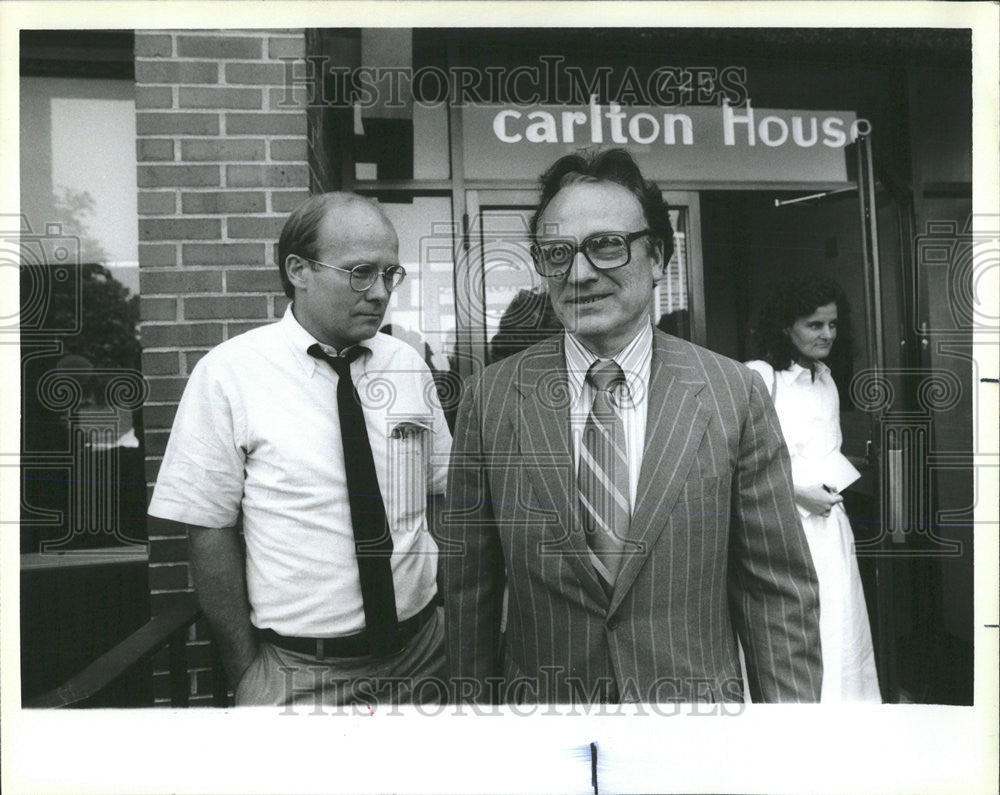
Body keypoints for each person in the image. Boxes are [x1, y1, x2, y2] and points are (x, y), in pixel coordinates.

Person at [439, 149, 822, 704]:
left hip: (695, 730)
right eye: (556, 253)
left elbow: (776, 592)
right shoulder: (493, 398)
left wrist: (788, 741)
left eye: (606, 245)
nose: (579, 273)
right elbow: (470, 589)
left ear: (659, 256)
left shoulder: (732, 394)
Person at [148, 193, 452, 708]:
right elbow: (207, 530)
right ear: (298, 270)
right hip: (300, 677)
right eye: (359, 272)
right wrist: (246, 672)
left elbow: (440, 492)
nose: (379, 292)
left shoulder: (407, 365)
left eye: (390, 274)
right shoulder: (230, 374)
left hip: (424, 657)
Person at [746, 277, 881, 702]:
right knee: (797, 631)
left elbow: (827, 451)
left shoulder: (825, 379)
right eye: (814, 325)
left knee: (841, 623)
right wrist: (798, 492)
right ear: (786, 327)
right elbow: (738, 465)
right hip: (783, 527)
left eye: (833, 325)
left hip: (829, 526)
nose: (827, 334)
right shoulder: (759, 377)